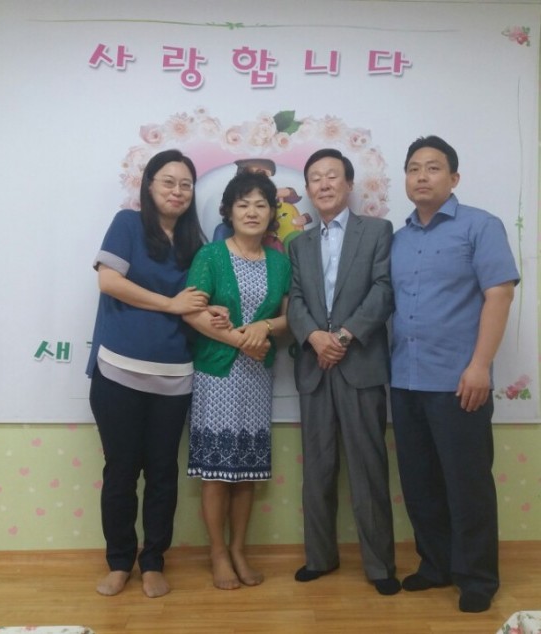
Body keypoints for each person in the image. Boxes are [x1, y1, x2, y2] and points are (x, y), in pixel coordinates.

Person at [390, 135, 519, 613]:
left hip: (460, 382)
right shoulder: (398, 239)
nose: (421, 176)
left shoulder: (480, 226)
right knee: (420, 483)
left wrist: (480, 366)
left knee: (467, 486)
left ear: (454, 177)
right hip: (405, 380)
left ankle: (477, 577)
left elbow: (499, 295)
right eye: (413, 168)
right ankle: (435, 565)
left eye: (433, 167)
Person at [86, 149, 210, 599]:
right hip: (118, 371)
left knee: (162, 473)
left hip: (175, 376)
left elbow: (198, 304)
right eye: (168, 182)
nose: (177, 191)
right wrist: (170, 304)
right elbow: (109, 281)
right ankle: (120, 562)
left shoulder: (197, 244)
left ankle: (154, 560)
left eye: (185, 184)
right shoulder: (127, 224)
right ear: (149, 186)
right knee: (121, 471)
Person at [287, 148, 399, 596]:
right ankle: (320, 557)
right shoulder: (298, 244)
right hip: (315, 365)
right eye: (315, 177)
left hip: (360, 364)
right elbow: (295, 300)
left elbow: (384, 290)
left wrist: (345, 336)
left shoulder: (378, 231)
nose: (324, 184)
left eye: (332, 175)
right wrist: (315, 337)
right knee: (317, 468)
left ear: (349, 184)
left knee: (368, 468)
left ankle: (380, 566)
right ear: (308, 189)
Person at [183, 171, 291, 590]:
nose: (252, 212)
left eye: (261, 204)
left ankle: (239, 550)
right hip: (216, 375)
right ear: (228, 211)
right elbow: (193, 312)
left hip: (257, 377)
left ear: (271, 213)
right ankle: (217, 553)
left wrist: (265, 326)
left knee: (247, 470)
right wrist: (241, 342)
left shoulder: (280, 262)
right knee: (216, 471)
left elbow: (289, 318)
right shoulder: (210, 256)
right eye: (243, 204)